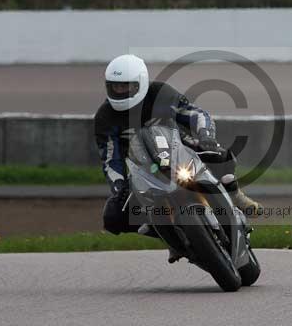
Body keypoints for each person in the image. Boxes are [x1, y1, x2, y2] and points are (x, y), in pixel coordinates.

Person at [94, 54, 262, 256]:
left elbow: (195, 114)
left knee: (218, 155)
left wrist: (205, 135)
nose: (120, 91)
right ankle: (166, 234)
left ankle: (236, 197)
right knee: (113, 216)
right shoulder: (105, 116)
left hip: (180, 149)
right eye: (115, 86)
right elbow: (110, 159)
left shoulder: (160, 93)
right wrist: (119, 186)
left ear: (141, 82)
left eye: (126, 86)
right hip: (143, 169)